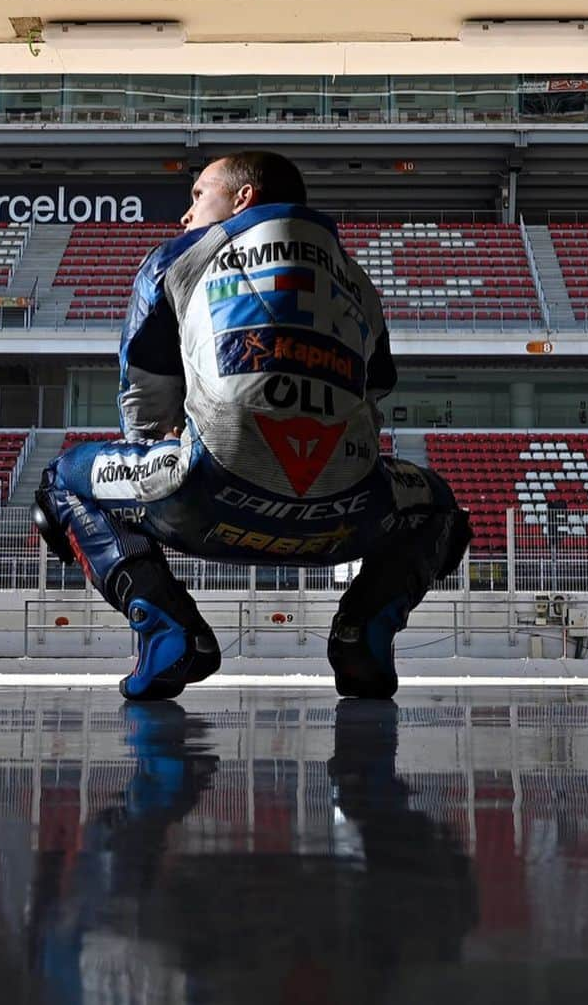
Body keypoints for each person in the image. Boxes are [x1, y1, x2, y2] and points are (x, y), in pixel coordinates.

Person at [34, 151, 470, 701]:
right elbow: (374, 391)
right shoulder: (361, 284)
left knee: (59, 483)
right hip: (343, 515)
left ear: (243, 198)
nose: (185, 214)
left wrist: (156, 447)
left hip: (206, 497)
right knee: (440, 506)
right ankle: (363, 634)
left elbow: (143, 392)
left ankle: (169, 629)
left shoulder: (177, 256)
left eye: (198, 195)